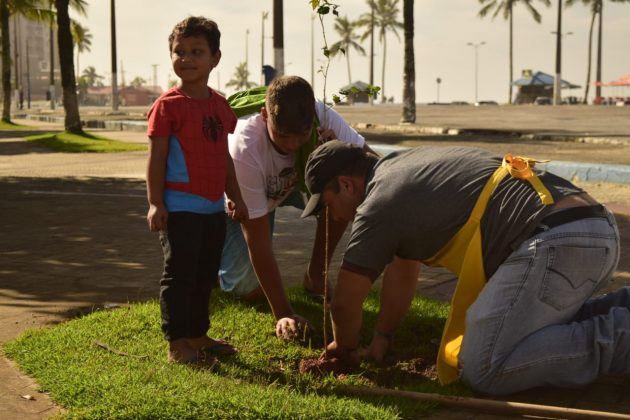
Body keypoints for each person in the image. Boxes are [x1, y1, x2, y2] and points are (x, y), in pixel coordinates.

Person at [302, 140, 626, 396]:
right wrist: (382, 337)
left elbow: (345, 301)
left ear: (346, 184)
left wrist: (343, 349)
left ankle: (623, 337)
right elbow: (404, 270)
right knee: (521, 334)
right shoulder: (400, 170)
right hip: (591, 230)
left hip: (560, 242)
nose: (337, 218)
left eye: (328, 206)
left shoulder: (378, 204)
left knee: (484, 366)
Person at [218, 75, 369, 338]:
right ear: (265, 116)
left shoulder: (322, 115)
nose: (291, 145)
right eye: (283, 136)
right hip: (241, 202)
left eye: (301, 136)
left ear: (313, 119)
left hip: (289, 185)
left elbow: (372, 168)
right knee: (246, 288)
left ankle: (316, 276)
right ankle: (209, 256)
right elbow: (258, 240)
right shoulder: (245, 145)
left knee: (345, 189)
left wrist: (338, 154)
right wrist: (284, 312)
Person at [146, 16, 248, 364]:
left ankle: (198, 335)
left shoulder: (220, 105)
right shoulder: (167, 106)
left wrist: (234, 194)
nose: (186, 58)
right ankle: (177, 343)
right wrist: (155, 202)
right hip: (179, 208)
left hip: (211, 208)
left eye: (197, 51)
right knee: (180, 276)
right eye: (179, 51)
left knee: (205, 275)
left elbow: (224, 156)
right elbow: (157, 158)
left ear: (215, 58)